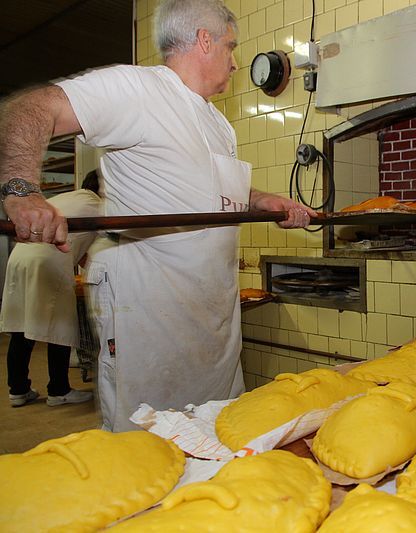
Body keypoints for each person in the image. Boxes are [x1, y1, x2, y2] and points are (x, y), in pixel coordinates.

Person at [0, 0, 316, 430]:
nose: (235, 61)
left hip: (212, 317)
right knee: (145, 436)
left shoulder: (219, 124)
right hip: (148, 309)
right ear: (204, 40)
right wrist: (22, 192)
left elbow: (206, 191)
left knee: (215, 429)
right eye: (231, 46)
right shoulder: (139, 89)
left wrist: (261, 201)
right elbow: (28, 108)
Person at [1, 171, 102, 407]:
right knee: (60, 325)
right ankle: (59, 390)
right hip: (48, 260)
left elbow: (79, 245)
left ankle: (18, 390)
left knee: (22, 325)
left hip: (21, 257)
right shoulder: (97, 204)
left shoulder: (68, 198)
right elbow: (98, 251)